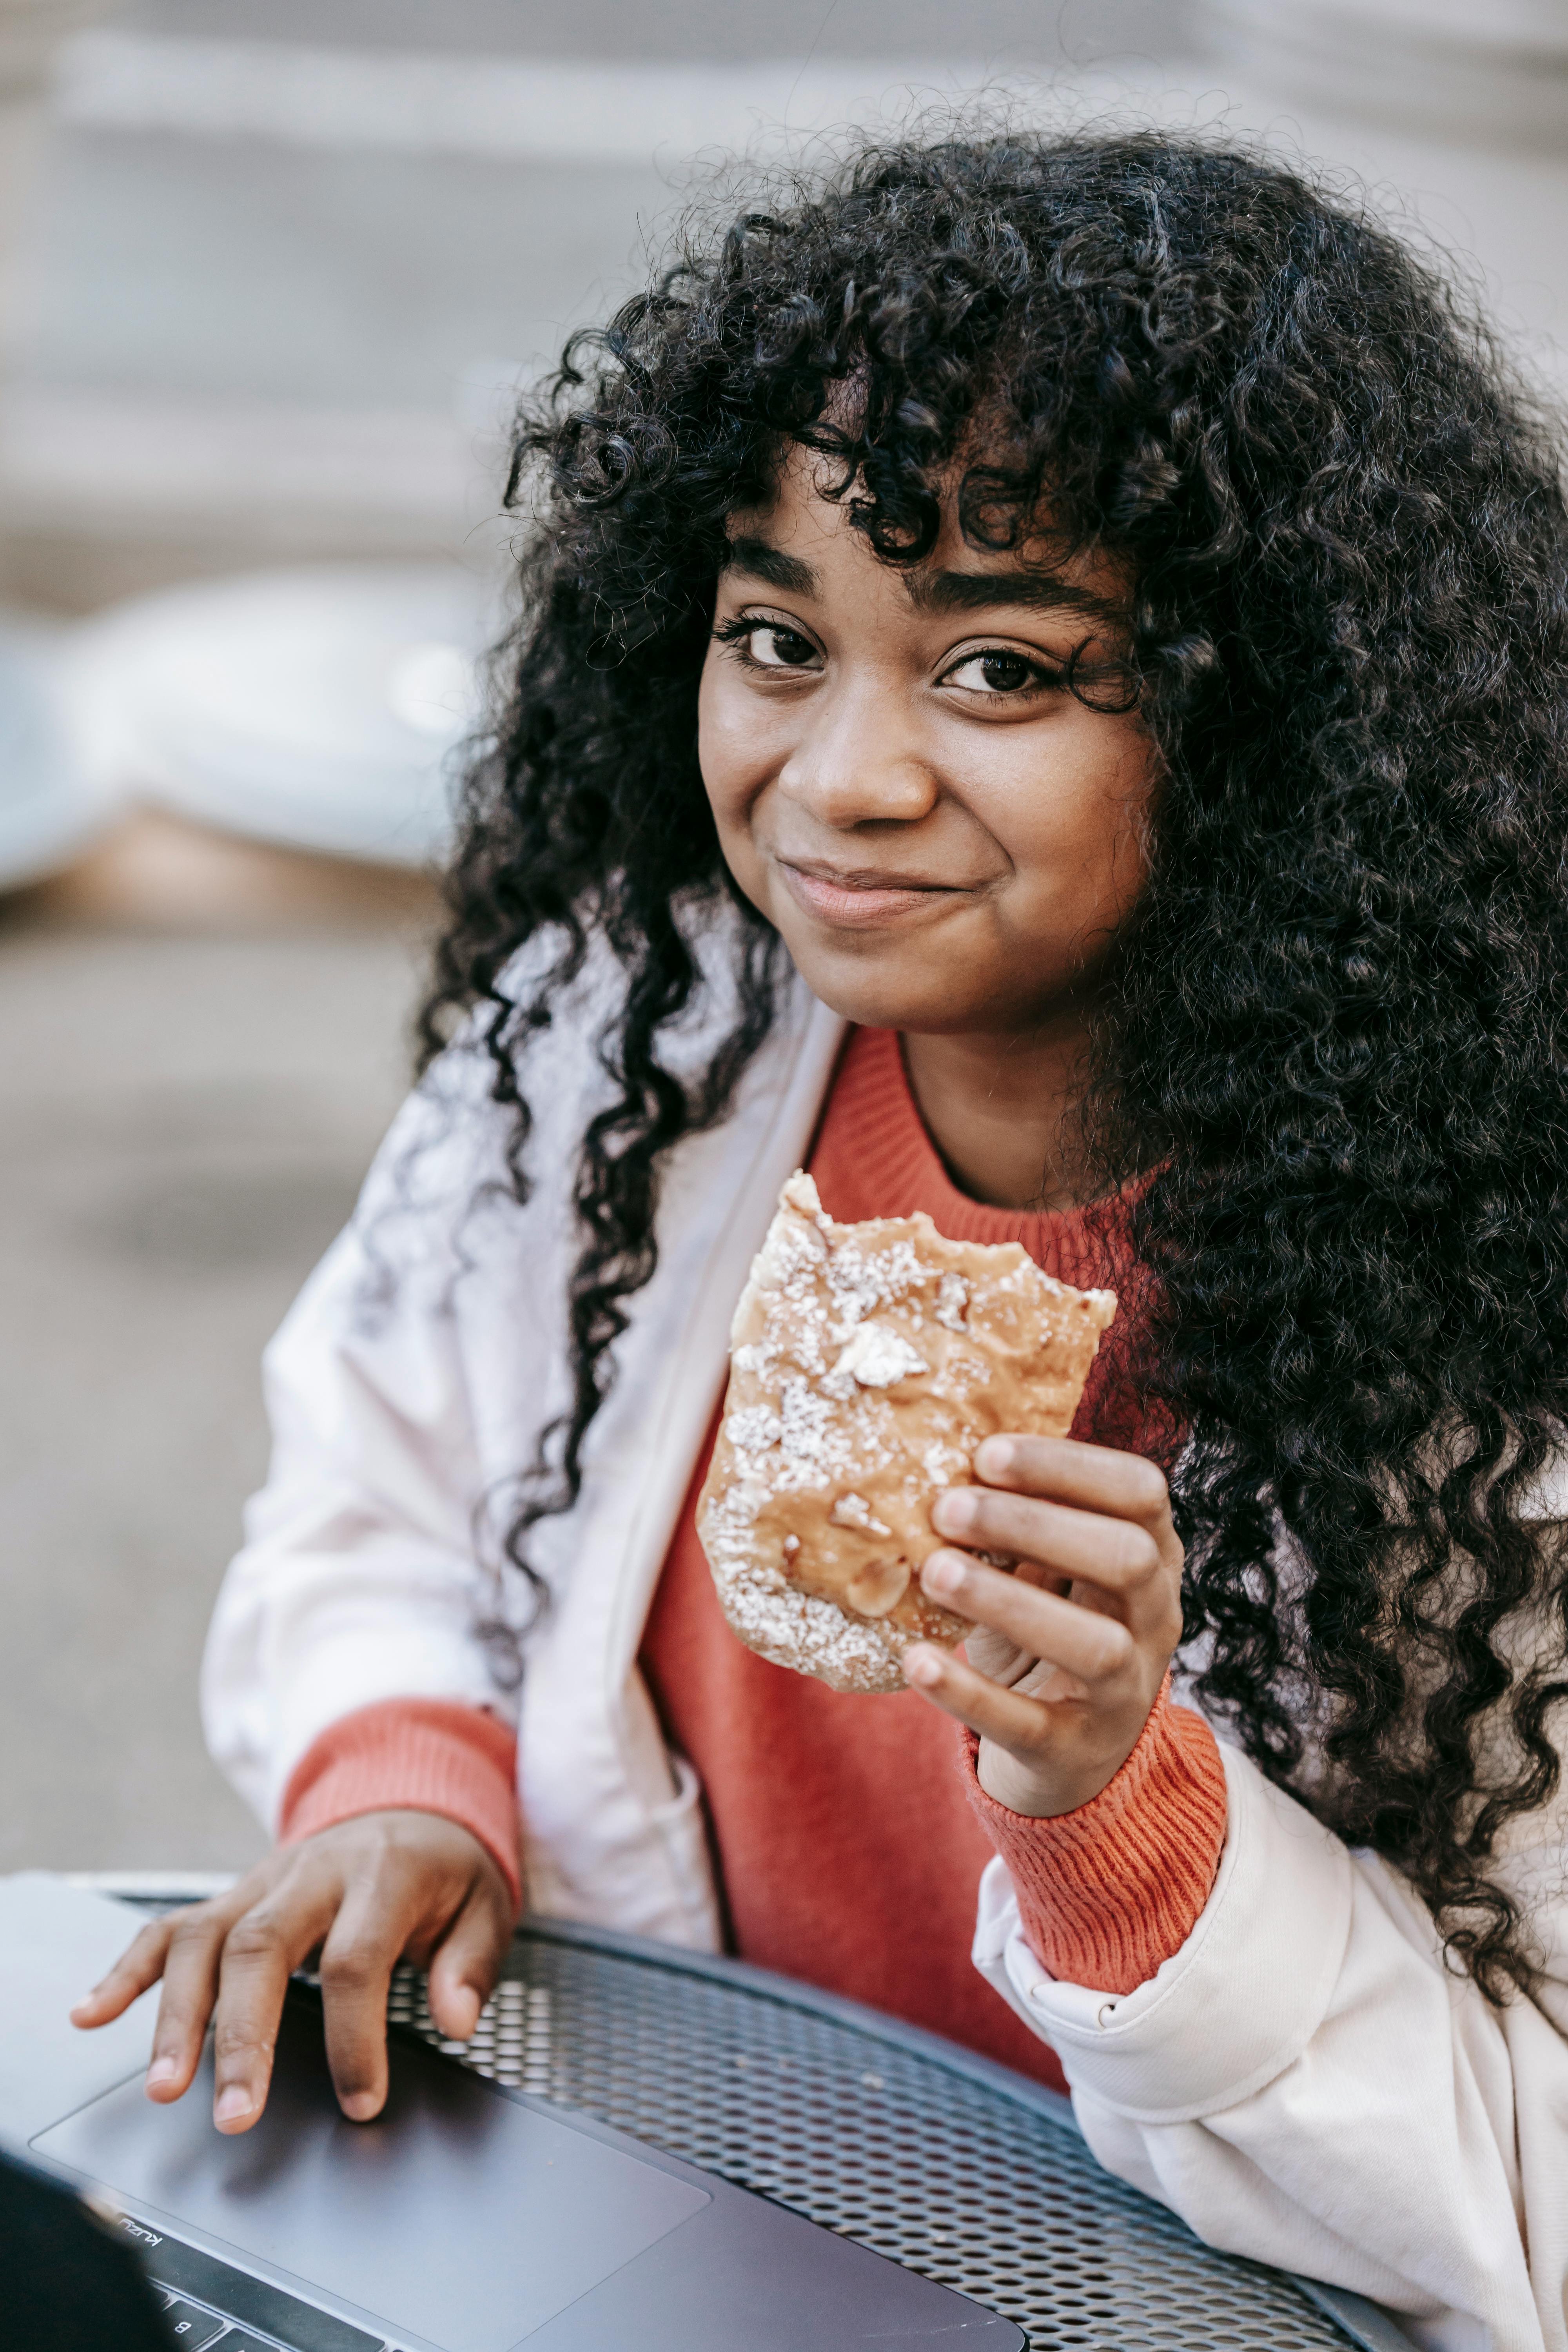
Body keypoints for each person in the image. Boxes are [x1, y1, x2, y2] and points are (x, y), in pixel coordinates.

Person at [73, 131, 1568, 2349]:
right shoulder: (636, 1038)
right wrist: (406, 1779)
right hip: (656, 2221)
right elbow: (380, 1482)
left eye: (1001, 671)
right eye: (779, 636)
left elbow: (1514, 2206)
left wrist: (1120, 1805)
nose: (840, 774)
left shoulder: (1489, 1323)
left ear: (1273, 728)